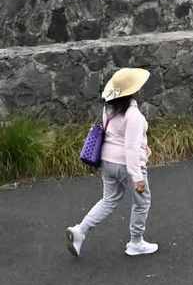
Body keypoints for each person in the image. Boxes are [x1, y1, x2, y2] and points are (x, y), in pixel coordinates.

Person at [65, 66, 158, 260]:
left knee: (108, 200)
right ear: (133, 91)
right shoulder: (134, 116)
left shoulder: (108, 108)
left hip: (107, 162)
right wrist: (137, 177)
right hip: (127, 165)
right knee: (142, 202)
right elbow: (131, 148)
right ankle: (136, 242)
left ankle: (80, 231)